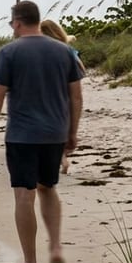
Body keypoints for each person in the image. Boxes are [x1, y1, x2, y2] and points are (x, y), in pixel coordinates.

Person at [0, 1, 83, 263]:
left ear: (16, 22)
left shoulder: (9, 52)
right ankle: (57, 246)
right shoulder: (64, 51)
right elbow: (76, 95)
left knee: (24, 195)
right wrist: (72, 132)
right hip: (55, 133)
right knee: (48, 188)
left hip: (23, 135)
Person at [39, 19, 87, 173]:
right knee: (63, 129)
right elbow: (82, 70)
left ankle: (60, 159)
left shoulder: (44, 52)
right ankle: (63, 157)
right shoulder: (68, 50)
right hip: (66, 95)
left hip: (48, 95)